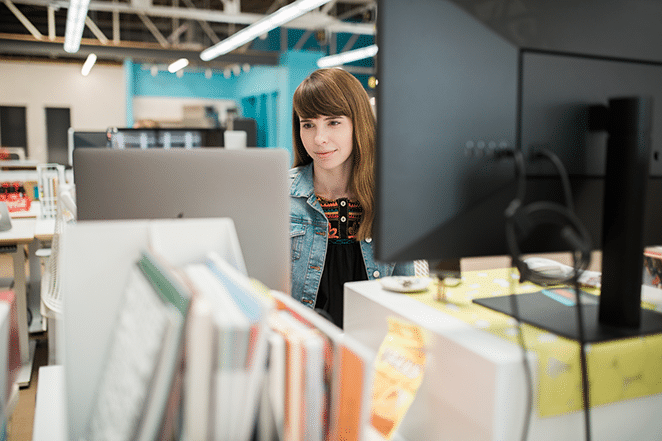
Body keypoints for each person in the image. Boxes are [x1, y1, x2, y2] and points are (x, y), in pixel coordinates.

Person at [289, 68, 414, 328]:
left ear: (359, 124)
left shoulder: (391, 198)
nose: (319, 138)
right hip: (305, 346)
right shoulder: (280, 196)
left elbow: (406, 296)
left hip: (370, 346)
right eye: (308, 124)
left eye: (333, 122)